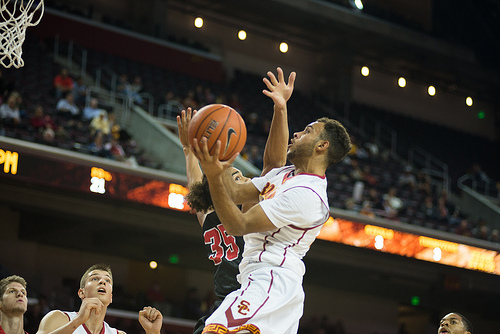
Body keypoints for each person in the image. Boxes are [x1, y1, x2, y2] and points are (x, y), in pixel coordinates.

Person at [191, 68, 351, 334]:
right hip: (261, 282)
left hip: (271, 280)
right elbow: (240, 190)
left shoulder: (307, 196)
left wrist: (215, 173)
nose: (297, 134)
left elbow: (238, 225)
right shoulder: (286, 174)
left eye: (308, 131)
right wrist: (213, 159)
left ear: (322, 146)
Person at [177, 67, 293, 334]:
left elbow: (196, 182)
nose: (244, 179)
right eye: (238, 177)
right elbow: (274, 165)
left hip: (224, 303)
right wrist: (281, 109)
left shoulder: (208, 214)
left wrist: (188, 150)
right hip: (245, 299)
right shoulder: (245, 208)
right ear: (223, 189)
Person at [36, 264, 162, 334]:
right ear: (81, 292)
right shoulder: (58, 318)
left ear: (111, 297)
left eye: (107, 280)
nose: (102, 281)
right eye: (95, 279)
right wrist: (78, 321)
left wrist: (153, 333)